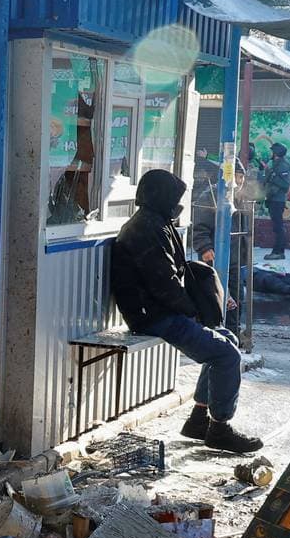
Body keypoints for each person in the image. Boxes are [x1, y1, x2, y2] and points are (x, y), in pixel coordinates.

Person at [111, 169, 264, 454]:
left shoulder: (156, 221)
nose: (178, 204)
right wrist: (193, 312)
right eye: (174, 198)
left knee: (227, 339)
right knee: (226, 355)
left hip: (158, 310)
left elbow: (171, 278)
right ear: (161, 197)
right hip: (152, 316)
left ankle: (198, 418)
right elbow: (164, 284)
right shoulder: (146, 229)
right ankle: (219, 428)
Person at [258, 144, 290, 259]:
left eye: (272, 152)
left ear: (276, 153)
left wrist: (272, 176)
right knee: (277, 226)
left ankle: (278, 252)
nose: (271, 154)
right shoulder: (276, 164)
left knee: (278, 226)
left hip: (277, 200)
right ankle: (278, 251)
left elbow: (285, 183)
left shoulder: (283, 165)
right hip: (273, 199)